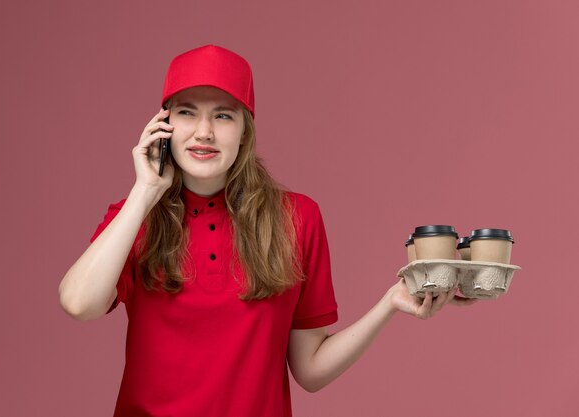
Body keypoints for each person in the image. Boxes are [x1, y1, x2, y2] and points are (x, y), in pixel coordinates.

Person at [59, 44, 476, 417]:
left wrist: (390, 303)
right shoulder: (136, 215)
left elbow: (310, 370)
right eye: (187, 112)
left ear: (245, 131)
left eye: (223, 115)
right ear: (163, 125)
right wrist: (145, 191)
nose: (203, 132)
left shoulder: (297, 218)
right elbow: (79, 303)